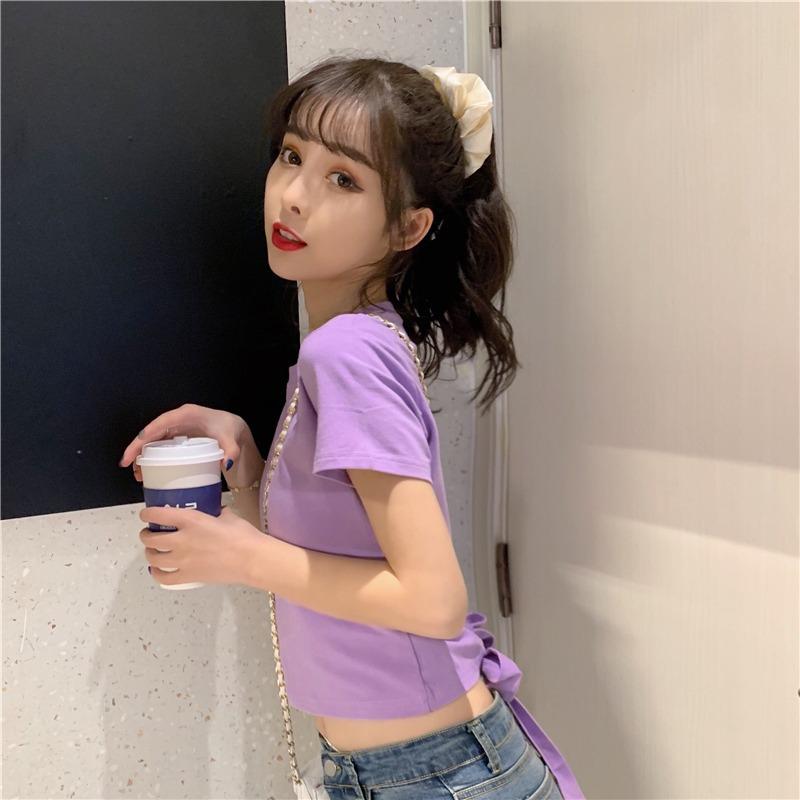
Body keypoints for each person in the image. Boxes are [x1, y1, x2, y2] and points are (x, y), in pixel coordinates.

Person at [119, 56, 582, 800]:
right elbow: (333, 555)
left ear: (407, 227)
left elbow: (431, 599)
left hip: (440, 776)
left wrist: (243, 558)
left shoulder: (345, 352)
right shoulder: (351, 343)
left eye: (343, 179)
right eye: (291, 156)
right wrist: (246, 458)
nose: (294, 196)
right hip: (412, 768)